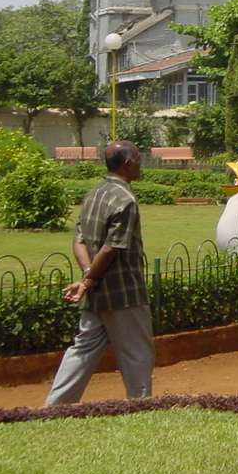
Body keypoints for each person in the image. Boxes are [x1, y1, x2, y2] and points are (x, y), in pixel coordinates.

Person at [46, 140, 154, 405]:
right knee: (137, 352)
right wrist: (89, 280)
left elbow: (78, 240)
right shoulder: (125, 200)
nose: (141, 163)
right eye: (139, 158)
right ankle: (141, 407)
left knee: (83, 348)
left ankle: (54, 407)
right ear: (127, 164)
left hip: (96, 292)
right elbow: (111, 248)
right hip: (124, 291)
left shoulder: (94, 193)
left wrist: (87, 278)